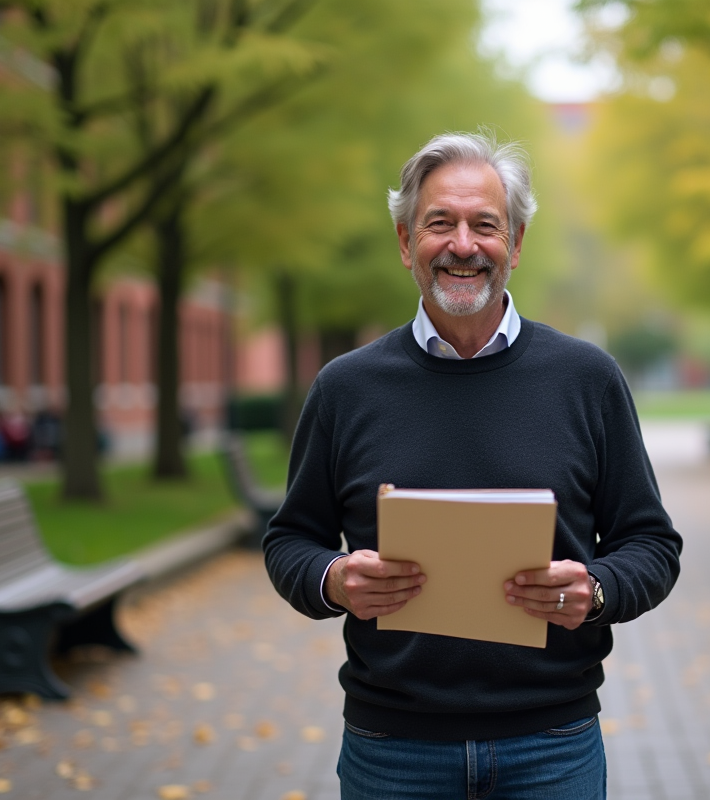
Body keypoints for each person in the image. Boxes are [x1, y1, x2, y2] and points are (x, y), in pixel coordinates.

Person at [263, 132, 682, 799]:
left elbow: (652, 545)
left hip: (553, 747)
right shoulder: (346, 389)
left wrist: (594, 592)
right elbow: (289, 541)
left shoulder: (587, 380)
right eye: (439, 223)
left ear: (515, 245)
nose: (463, 244)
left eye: (485, 225)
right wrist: (335, 579)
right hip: (390, 751)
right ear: (406, 243)